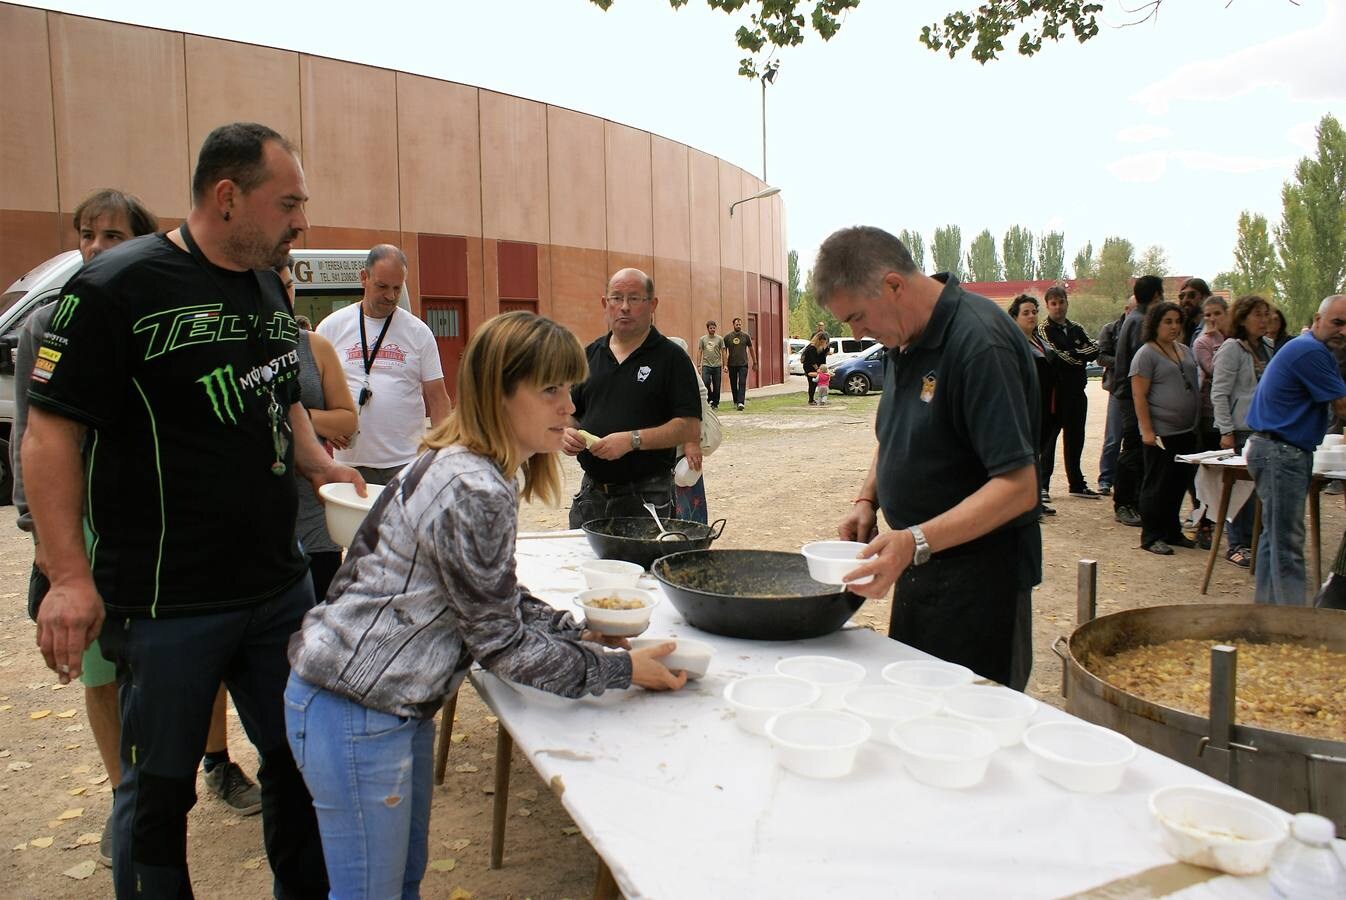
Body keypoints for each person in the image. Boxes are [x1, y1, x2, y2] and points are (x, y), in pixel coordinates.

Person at [23, 121, 364, 897]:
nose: (301, 221)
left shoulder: (267, 279)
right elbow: (47, 434)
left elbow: (279, 390)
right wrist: (68, 576)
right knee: (159, 797)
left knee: (300, 766)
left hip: (278, 589)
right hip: (167, 601)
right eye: (288, 203)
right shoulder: (115, 288)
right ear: (227, 197)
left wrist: (315, 462)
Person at [285, 311, 685, 897]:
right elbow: (501, 646)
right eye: (549, 390)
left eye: (569, 390)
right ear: (499, 392)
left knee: (402, 882)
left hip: (380, 705)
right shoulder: (473, 487)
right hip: (357, 709)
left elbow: (493, 594)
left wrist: (575, 632)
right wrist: (622, 669)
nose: (570, 407)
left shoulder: (473, 468)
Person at [817, 226, 1040, 691]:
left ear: (894, 285)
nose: (856, 333)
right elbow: (897, 434)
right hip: (921, 564)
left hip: (981, 584)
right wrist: (867, 499)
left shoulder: (980, 344)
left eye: (857, 316)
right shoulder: (905, 338)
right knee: (913, 706)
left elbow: (1019, 487)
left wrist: (915, 540)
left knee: (968, 724)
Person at [10, 189, 162, 865]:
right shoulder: (47, 323)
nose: (97, 247)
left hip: (149, 524)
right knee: (100, 675)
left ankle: (169, 784)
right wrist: (43, 537)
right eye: (87, 234)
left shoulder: (158, 317)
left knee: (158, 666)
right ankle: (121, 794)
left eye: (112, 235)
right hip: (83, 531)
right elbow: (33, 433)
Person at [562, 268, 701, 528]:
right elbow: (569, 411)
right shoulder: (589, 355)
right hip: (591, 496)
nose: (624, 307)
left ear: (652, 304)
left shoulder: (672, 359)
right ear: (605, 304)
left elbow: (689, 426)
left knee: (640, 569)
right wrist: (567, 433)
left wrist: (632, 440)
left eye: (634, 299)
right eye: (616, 298)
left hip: (646, 498)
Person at [315, 244, 452, 485]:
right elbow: (314, 389)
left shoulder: (419, 332)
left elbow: (438, 398)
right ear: (364, 277)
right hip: (347, 464)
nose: (390, 296)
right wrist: (326, 426)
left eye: (397, 288)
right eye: (382, 286)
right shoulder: (330, 327)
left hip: (405, 462)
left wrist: (441, 455)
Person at [1244, 295, 1346, 605]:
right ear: (1317, 320)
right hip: (1281, 452)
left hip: (1274, 448)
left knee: (1272, 539)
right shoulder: (1310, 352)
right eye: (1337, 323)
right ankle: (1294, 628)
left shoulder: (1311, 349)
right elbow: (1342, 406)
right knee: (1287, 543)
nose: (1343, 331)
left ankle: (1267, 617)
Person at [277, 258, 358, 601]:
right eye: (273, 286)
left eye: (289, 286)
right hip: (260, 520)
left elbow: (347, 422)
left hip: (313, 514)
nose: (283, 295)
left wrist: (300, 417)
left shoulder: (315, 347)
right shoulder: (235, 346)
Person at [1130, 302, 1200, 555]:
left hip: (1186, 430)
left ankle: (1172, 531)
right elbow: (1139, 395)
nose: (1173, 326)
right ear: (1155, 325)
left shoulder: (1183, 350)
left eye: (1177, 321)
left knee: (1178, 483)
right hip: (1161, 433)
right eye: (1167, 321)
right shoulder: (1146, 354)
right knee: (1157, 484)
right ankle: (1151, 535)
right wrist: (1147, 430)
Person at [1211, 295, 1273, 568]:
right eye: (1258, 315)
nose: (1264, 320)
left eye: (1266, 314)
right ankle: (1237, 544)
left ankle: (1257, 542)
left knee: (1259, 492)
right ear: (1243, 318)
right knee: (1240, 493)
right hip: (1239, 429)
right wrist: (1226, 430)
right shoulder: (1231, 349)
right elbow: (1220, 393)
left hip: (1264, 429)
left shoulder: (1268, 348)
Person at [1036, 285, 1101, 499]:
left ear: (1067, 302)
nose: (1058, 307)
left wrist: (1074, 354)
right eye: (1053, 304)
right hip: (1056, 393)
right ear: (1047, 306)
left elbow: (1095, 348)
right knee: (1049, 439)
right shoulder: (1045, 329)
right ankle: (1043, 485)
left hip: (1077, 391)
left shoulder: (1076, 328)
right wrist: (1078, 356)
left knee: (1076, 438)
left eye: (1061, 302)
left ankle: (1077, 483)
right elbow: (1056, 356)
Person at [1112, 275, 1166, 527]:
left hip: (1132, 394)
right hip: (1131, 396)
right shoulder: (1140, 322)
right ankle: (1124, 503)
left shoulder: (1137, 319)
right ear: (1156, 295)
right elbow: (1140, 366)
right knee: (1133, 448)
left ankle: (1136, 500)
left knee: (1139, 451)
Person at [1009, 294, 1055, 518]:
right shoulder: (1013, 344)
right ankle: (1023, 504)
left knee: (1036, 452)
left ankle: (1035, 499)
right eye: (1025, 312)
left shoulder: (1040, 341)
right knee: (1024, 455)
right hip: (1024, 405)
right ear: (1015, 317)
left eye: (1034, 312)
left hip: (1045, 404)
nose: (1031, 316)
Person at [1190, 296, 1231, 548]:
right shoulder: (1202, 342)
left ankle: (1226, 520)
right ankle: (1204, 523)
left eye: (1217, 313)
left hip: (1232, 416)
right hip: (1208, 414)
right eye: (1208, 315)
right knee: (1208, 471)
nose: (1212, 319)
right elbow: (1217, 370)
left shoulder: (1233, 339)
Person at [1096, 296, 1136, 496]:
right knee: (1113, 437)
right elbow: (1101, 357)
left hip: (1141, 390)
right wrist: (1125, 363)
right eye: (1135, 310)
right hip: (1118, 390)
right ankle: (1105, 479)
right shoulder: (1110, 330)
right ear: (1127, 309)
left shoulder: (1146, 328)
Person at [668, 335, 710, 523]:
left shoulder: (673, 348)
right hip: (646, 452)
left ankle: (692, 548)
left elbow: (699, 393)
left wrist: (691, 440)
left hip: (678, 451)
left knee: (689, 521)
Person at [723, 316, 758, 410]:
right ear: (733, 325)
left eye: (739, 324)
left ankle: (741, 403)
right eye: (736, 324)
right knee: (733, 383)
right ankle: (735, 401)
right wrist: (725, 364)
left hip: (743, 364)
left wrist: (755, 362)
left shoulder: (746, 336)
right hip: (732, 364)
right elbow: (724, 352)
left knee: (742, 383)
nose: (738, 326)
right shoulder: (727, 337)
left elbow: (751, 349)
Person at [695, 319, 725, 409]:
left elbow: (723, 352)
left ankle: (715, 403)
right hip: (706, 365)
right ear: (707, 329)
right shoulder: (703, 339)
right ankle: (710, 398)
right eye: (711, 328)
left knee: (717, 385)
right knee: (705, 382)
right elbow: (700, 351)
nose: (713, 329)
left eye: (714, 328)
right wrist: (699, 365)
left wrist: (725, 365)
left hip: (717, 365)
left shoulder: (720, 339)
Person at [1177, 277, 1212, 345]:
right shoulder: (1179, 328)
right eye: (1182, 296)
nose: (1185, 300)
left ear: (1205, 298)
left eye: (1191, 295)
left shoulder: (1213, 327)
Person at [801, 331, 828, 405]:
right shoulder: (811, 348)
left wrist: (823, 368)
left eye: (824, 342)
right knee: (812, 383)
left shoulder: (820, 348)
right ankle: (810, 400)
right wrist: (817, 369)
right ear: (818, 340)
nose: (823, 344)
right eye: (822, 342)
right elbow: (812, 361)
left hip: (817, 367)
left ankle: (812, 399)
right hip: (809, 367)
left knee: (815, 383)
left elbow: (822, 359)